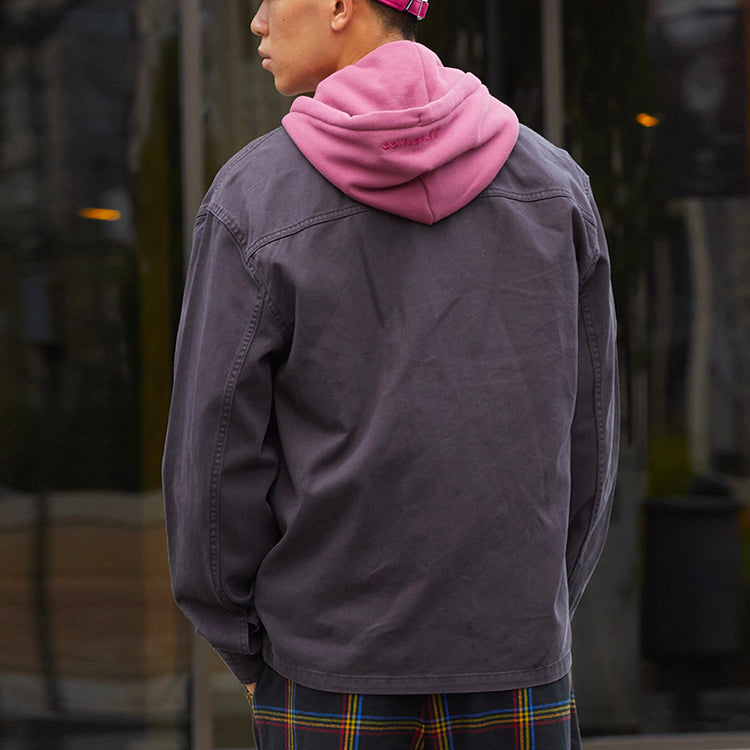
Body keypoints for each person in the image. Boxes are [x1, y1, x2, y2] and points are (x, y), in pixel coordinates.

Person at [162, 0, 620, 747]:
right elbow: (590, 440)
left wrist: (242, 638)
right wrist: (537, 608)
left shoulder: (255, 196)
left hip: (328, 661)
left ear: (341, 6)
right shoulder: (554, 184)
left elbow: (211, 461)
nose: (256, 21)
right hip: (515, 657)